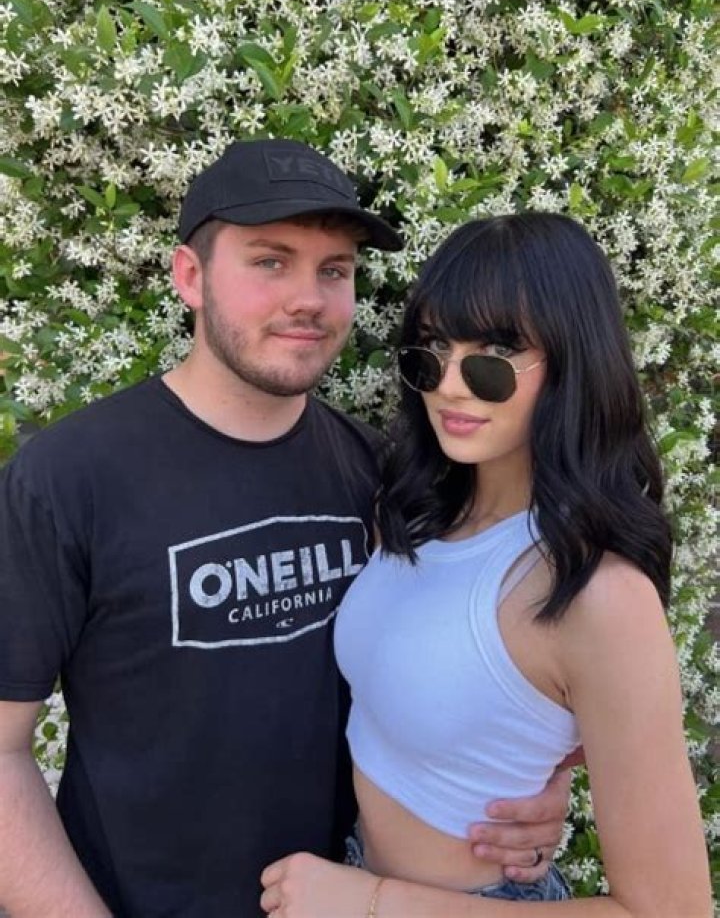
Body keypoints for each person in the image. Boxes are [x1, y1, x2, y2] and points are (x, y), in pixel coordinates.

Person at [0, 143, 569, 918]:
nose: (310, 298)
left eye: (335, 269)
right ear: (189, 276)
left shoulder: (381, 473)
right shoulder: (69, 477)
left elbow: (487, 661)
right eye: (271, 261)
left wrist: (544, 782)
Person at [260, 213, 712, 917]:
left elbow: (670, 910)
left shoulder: (598, 592)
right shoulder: (410, 512)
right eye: (433, 349)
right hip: (351, 871)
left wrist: (372, 901)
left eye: (495, 353)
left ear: (572, 361)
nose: (449, 384)